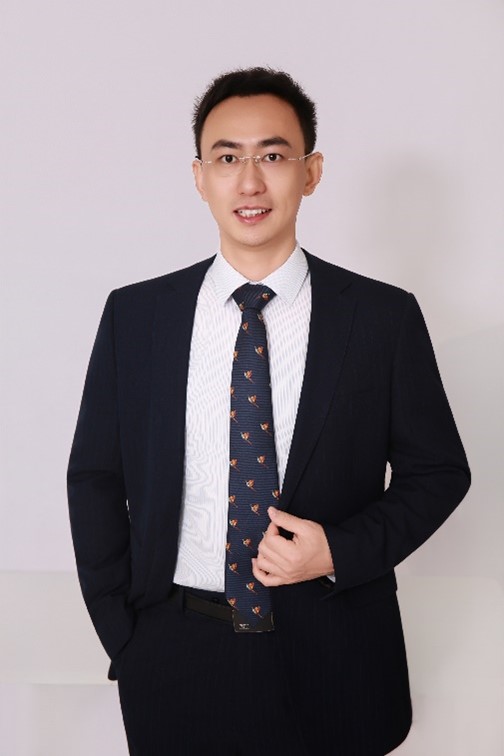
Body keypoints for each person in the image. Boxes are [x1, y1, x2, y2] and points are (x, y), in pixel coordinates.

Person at [67, 67, 470, 756]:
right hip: (174, 653)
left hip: (338, 652)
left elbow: (438, 473)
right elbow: (96, 479)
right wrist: (124, 635)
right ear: (200, 177)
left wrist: (339, 550)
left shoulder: (382, 318)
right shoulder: (137, 316)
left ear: (311, 172)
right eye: (227, 158)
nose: (249, 182)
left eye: (273, 156)